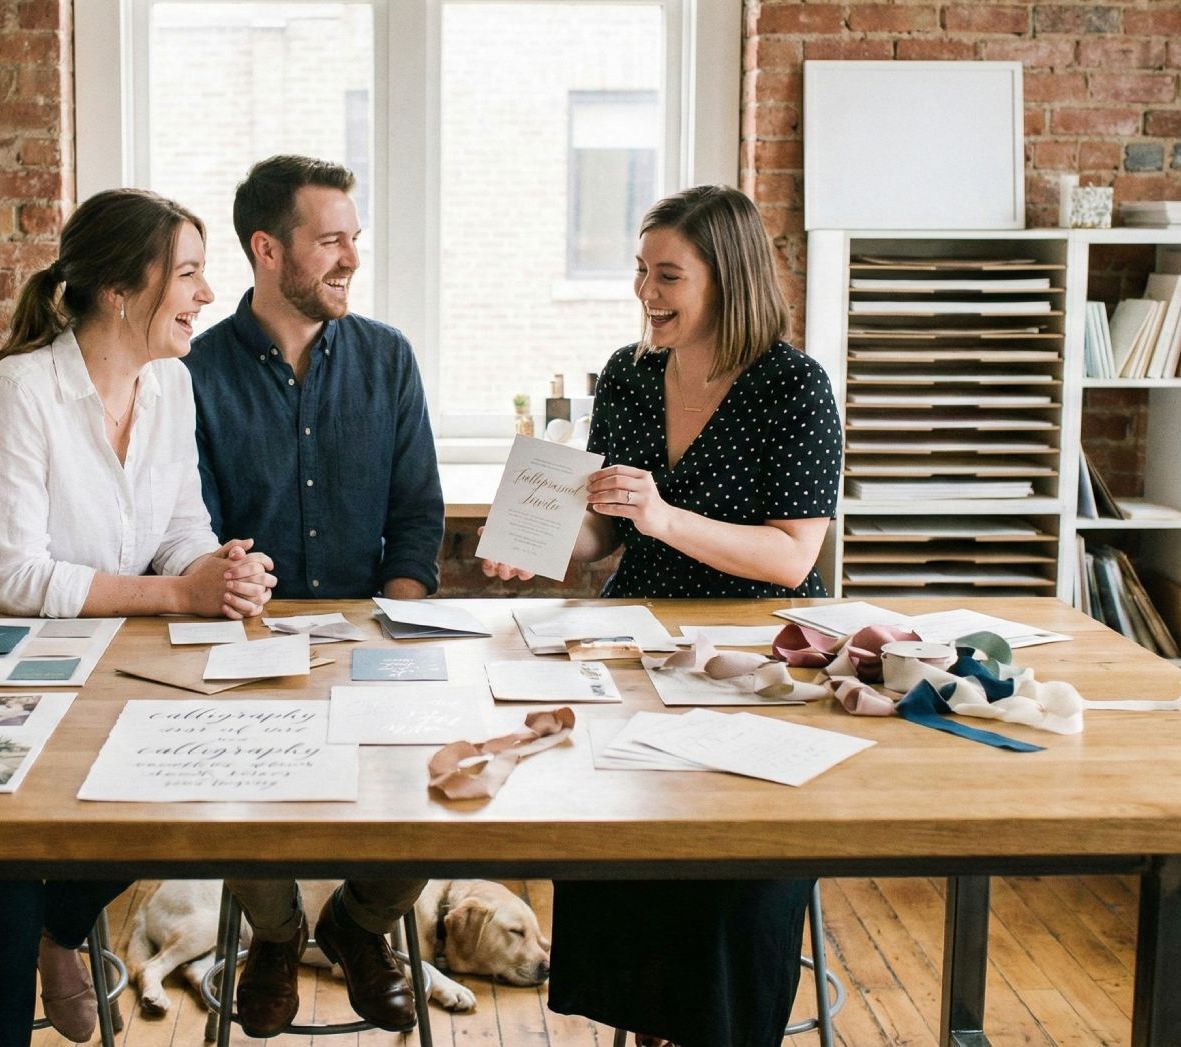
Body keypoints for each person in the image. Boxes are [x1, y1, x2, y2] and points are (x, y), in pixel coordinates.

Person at [482, 185, 842, 1046]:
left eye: (668, 275)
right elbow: (605, 528)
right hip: (632, 648)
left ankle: (715, 1027)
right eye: (641, 272)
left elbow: (793, 556)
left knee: (725, 866)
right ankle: (640, 1023)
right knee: (611, 832)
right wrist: (542, 541)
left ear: (729, 280)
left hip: (755, 662)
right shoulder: (632, 375)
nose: (647, 292)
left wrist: (664, 516)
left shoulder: (795, 387)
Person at [0, 188, 279, 1046]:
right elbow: (14, 576)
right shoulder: (19, 392)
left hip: (97, 662)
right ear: (123, 289)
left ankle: (62, 928)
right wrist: (177, 595)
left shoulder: (172, 387)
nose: (203, 294)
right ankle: (36, 930)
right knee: (4, 893)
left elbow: (179, 524)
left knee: (189, 791)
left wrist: (217, 570)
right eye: (188, 274)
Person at [183, 155, 443, 1037]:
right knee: (229, 790)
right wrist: (240, 612)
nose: (350, 259)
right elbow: (193, 529)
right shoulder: (192, 371)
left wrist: (397, 622)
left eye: (354, 239)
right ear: (267, 248)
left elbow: (417, 515)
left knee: (435, 792)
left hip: (376, 634)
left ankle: (358, 925)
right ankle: (277, 933)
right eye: (330, 240)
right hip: (246, 640)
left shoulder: (389, 358)